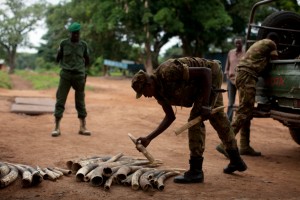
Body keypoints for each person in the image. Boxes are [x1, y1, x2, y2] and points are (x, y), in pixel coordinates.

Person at [131, 57, 247, 184]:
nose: (145, 96)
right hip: (201, 86)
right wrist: (149, 138)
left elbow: (206, 72)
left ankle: (196, 171)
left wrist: (206, 105)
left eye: (143, 92)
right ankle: (236, 160)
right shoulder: (159, 93)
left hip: (210, 75)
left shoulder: (168, 71)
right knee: (218, 118)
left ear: (148, 84)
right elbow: (170, 117)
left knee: (195, 121)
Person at [216, 32, 280, 157]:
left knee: (246, 110)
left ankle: (244, 146)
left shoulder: (258, 44)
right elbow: (276, 61)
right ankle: (225, 143)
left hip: (242, 75)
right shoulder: (271, 43)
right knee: (244, 111)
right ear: (275, 41)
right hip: (247, 76)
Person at [51, 22, 91, 137]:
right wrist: (68, 67)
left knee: (80, 101)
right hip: (65, 75)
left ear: (79, 33)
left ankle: (82, 127)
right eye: (74, 34)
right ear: (70, 33)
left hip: (79, 76)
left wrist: (79, 68)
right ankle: (57, 127)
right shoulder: (63, 44)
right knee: (60, 100)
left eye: (77, 33)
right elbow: (58, 59)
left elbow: (87, 60)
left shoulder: (83, 45)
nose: (76, 35)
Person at [225, 37, 245, 122]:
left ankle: (240, 120)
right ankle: (228, 120)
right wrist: (227, 76)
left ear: (242, 43)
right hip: (231, 80)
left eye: (239, 43)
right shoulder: (231, 52)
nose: (237, 45)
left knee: (242, 102)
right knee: (230, 102)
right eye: (236, 43)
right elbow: (227, 66)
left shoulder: (246, 53)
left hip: (242, 81)